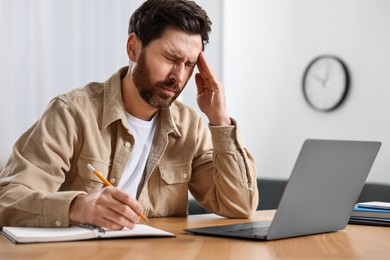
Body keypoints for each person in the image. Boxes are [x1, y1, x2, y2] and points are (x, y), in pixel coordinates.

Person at [0, 0, 258, 229]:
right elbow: (8, 198)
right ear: (133, 48)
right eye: (170, 57)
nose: (178, 77)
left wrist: (220, 119)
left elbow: (240, 205)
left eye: (189, 64)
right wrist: (78, 207)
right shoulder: (72, 113)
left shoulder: (190, 125)